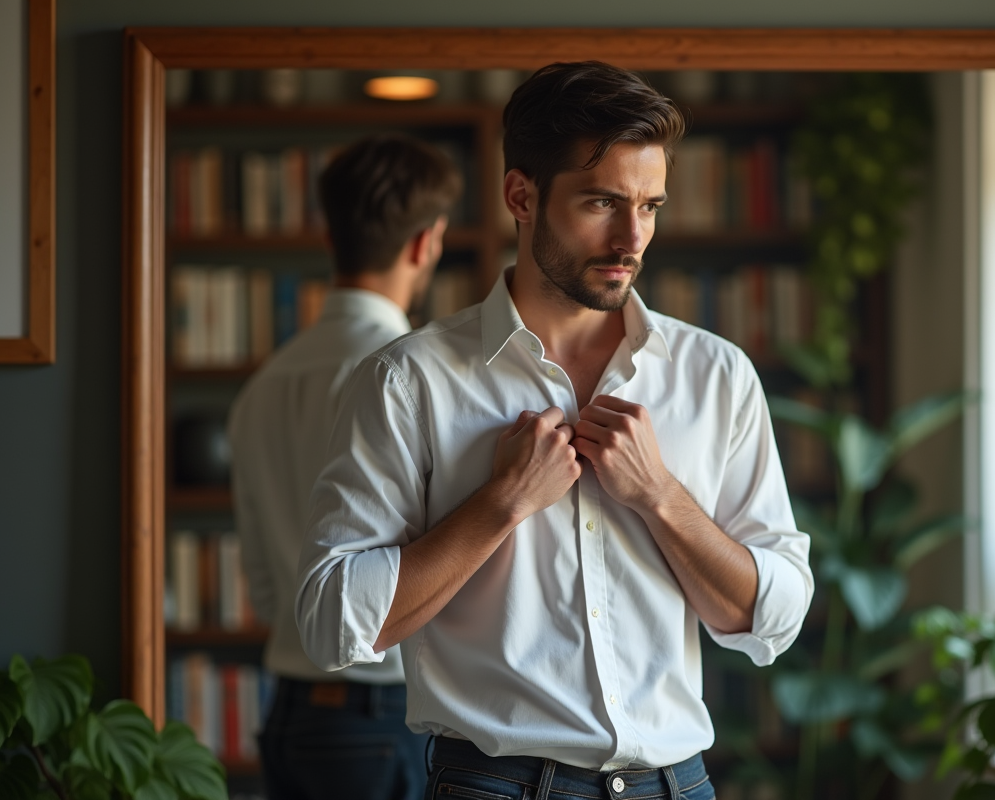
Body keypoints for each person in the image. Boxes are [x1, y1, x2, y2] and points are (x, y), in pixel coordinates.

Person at [296, 62, 813, 800]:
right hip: (494, 785)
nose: (632, 237)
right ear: (521, 196)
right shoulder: (409, 381)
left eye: (650, 205)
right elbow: (331, 619)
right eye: (602, 202)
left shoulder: (716, 375)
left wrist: (662, 497)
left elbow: (774, 616)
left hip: (679, 784)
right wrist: (497, 505)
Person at [228, 133, 462, 800]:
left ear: (329, 236)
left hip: (292, 713)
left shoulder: (263, 385)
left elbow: (270, 594)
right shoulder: (419, 377)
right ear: (426, 243)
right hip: (388, 715)